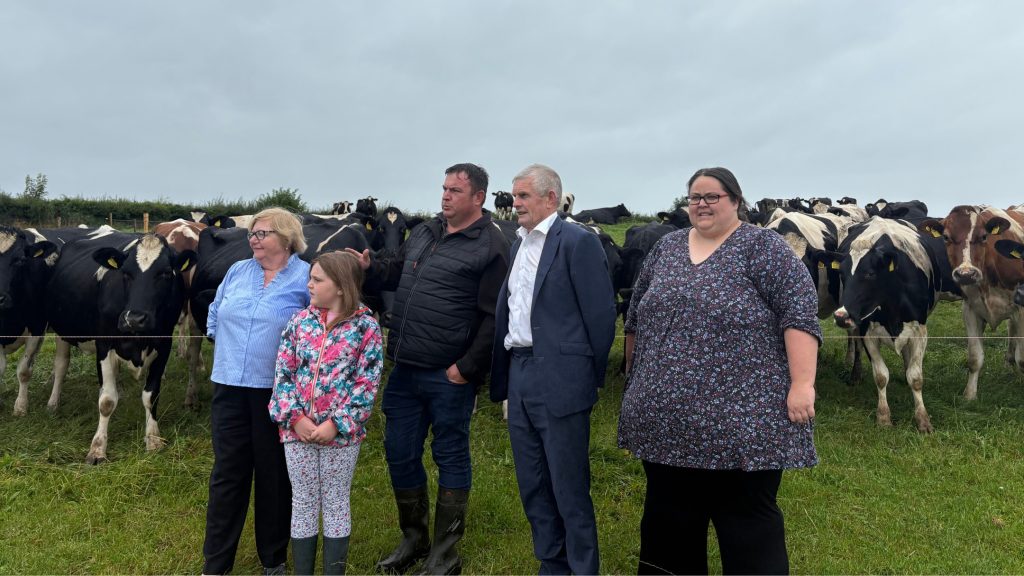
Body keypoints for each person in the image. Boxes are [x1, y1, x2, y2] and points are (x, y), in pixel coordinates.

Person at [618, 167, 821, 575]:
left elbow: (799, 315)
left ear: (735, 202)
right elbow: (636, 318)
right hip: (664, 424)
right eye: (694, 197)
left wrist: (803, 384)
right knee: (667, 526)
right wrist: (633, 379)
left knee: (747, 527)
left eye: (712, 197)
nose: (701, 204)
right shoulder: (668, 248)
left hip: (743, 425)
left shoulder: (763, 247)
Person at [348, 163, 509, 575]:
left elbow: (495, 316)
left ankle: (445, 554)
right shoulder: (424, 231)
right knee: (399, 452)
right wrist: (370, 267)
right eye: (444, 188)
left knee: (450, 454)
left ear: (478, 197)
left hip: (448, 374)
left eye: (455, 190)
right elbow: (394, 270)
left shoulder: (491, 244)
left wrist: (466, 368)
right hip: (404, 368)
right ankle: (413, 538)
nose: (445, 195)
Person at [490, 164, 617, 575]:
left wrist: (583, 378)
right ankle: (552, 563)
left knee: (568, 485)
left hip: (561, 376)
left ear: (550, 198)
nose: (515, 203)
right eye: (514, 195)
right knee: (533, 481)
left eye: (523, 195)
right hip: (519, 371)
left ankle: (582, 568)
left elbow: (600, 318)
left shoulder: (577, 242)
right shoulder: (518, 244)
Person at [202, 207, 311, 576]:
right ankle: (216, 563)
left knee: (273, 475)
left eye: (262, 233)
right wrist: (229, 346)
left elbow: (317, 327)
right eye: (252, 233)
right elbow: (214, 312)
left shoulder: (305, 276)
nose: (254, 239)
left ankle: (273, 559)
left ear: (286, 237)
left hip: (276, 393)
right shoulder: (237, 270)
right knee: (227, 473)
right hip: (229, 386)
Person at [269, 251, 384, 575]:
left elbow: (367, 383)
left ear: (341, 286)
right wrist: (295, 418)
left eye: (317, 280)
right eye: (311, 278)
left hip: (341, 437)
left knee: (335, 501)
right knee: (303, 500)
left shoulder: (366, 329)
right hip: (298, 433)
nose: (309, 284)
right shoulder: (299, 323)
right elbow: (283, 374)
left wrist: (338, 424)